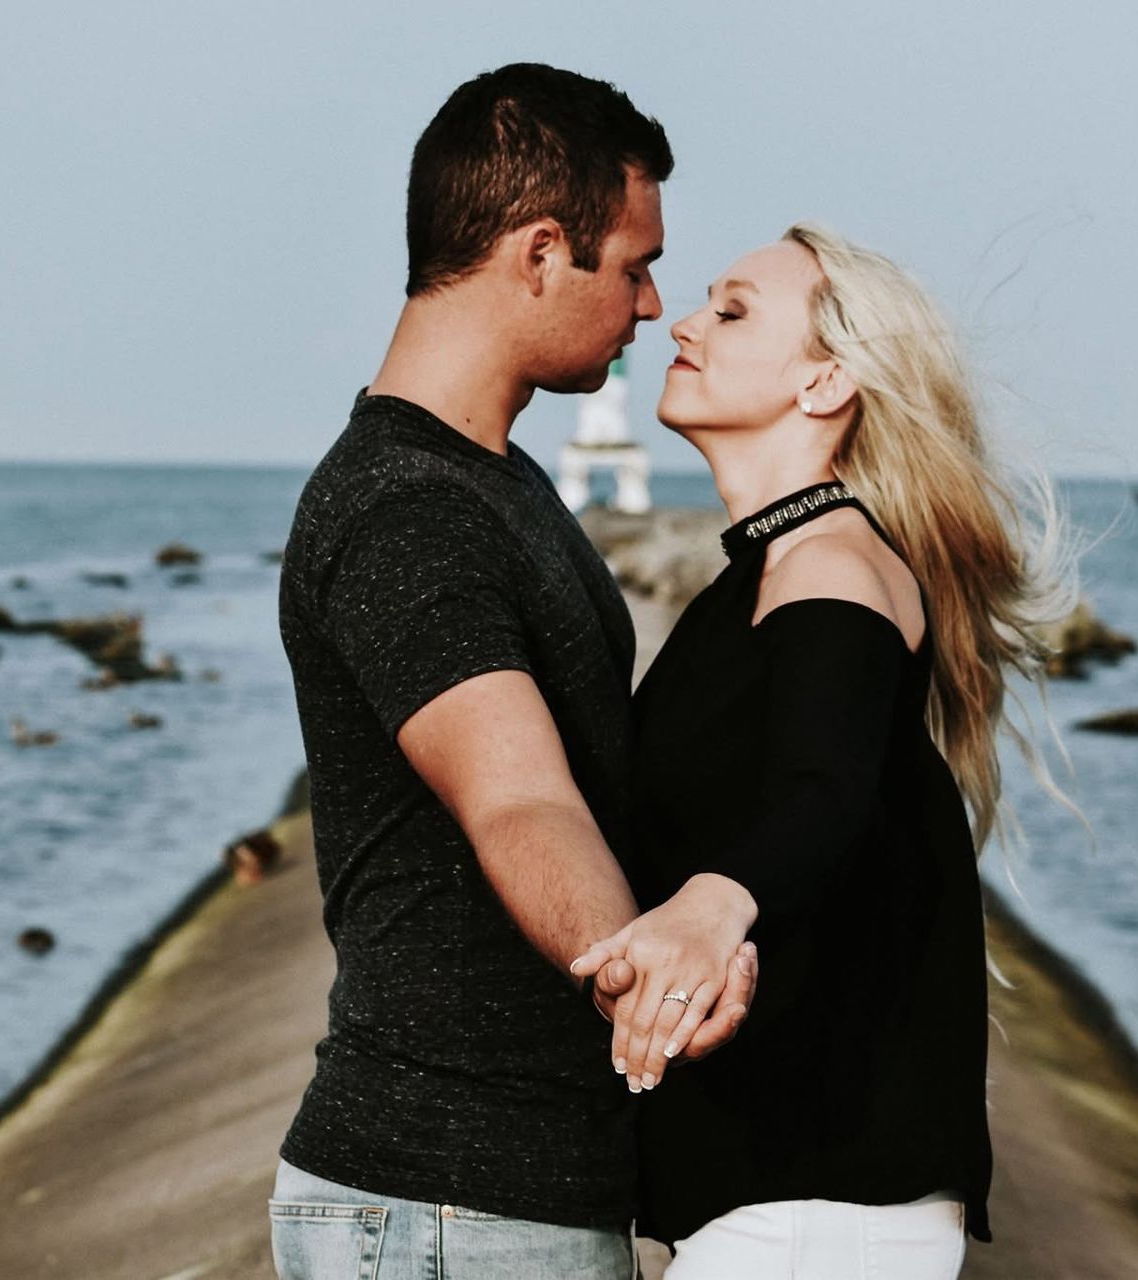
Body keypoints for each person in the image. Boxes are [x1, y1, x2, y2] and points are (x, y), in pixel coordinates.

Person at [269, 64, 758, 1280]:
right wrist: (644, 969)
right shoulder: (404, 507)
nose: (653, 305)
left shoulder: (495, 480)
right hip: (443, 1198)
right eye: (634, 265)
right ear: (541, 253)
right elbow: (520, 797)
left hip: (491, 1196)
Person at [570, 223, 1083, 1277]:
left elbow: (824, 790)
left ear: (825, 381)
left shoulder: (831, 568)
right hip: (786, 1205)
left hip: (818, 1212)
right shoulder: (764, 573)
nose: (685, 322)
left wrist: (711, 907)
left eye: (733, 309)